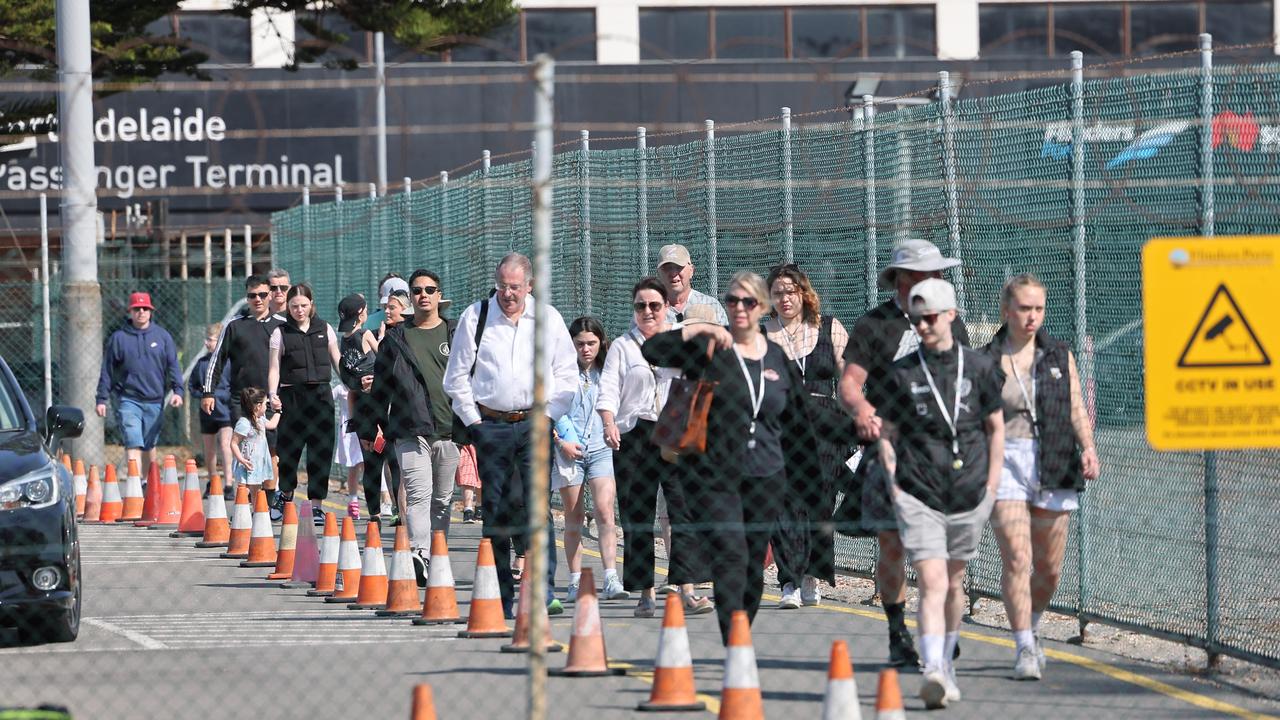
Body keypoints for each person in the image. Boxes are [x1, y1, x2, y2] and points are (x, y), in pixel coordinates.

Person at [642, 270, 819, 645]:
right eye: (732, 301)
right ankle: (734, 640)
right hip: (717, 476)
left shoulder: (776, 357)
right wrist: (695, 330)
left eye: (748, 302)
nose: (739, 308)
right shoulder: (712, 349)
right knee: (731, 556)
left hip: (766, 474)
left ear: (762, 308)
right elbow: (652, 350)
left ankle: (741, 626)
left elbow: (798, 421)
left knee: (752, 565)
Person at [838, 238, 970, 668]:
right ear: (906, 279)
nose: (936, 279)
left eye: (938, 273)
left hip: (940, 452)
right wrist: (862, 410)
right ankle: (898, 632)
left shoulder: (951, 322)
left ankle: (943, 628)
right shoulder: (875, 325)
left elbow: (966, 380)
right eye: (928, 272)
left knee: (946, 553)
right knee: (893, 545)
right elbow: (850, 383)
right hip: (891, 451)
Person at [875, 278, 1003, 709]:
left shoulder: (981, 368)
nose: (923, 325)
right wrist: (895, 481)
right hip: (919, 492)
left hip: (970, 492)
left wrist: (992, 485)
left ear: (950, 315)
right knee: (930, 580)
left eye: (930, 317)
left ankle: (946, 662)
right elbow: (887, 433)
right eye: (917, 318)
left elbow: (995, 428)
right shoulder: (903, 373)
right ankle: (931, 669)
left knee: (953, 582)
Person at [443, 253, 577, 618]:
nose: (507, 293)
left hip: (535, 423)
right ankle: (500, 592)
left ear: (529, 286)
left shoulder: (547, 319)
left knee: (536, 505)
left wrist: (549, 417)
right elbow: (456, 379)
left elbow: (567, 376)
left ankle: (543, 589)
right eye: (502, 285)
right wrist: (475, 425)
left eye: (514, 287)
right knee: (497, 508)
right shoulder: (478, 316)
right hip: (492, 427)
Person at [982, 273, 1101, 680]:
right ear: (1007, 311)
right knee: (1018, 558)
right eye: (1023, 308)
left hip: (1053, 459)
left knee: (1049, 569)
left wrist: (1088, 447)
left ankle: (1033, 621)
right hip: (1006, 460)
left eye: (1038, 309)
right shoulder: (988, 359)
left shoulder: (1058, 354)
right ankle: (1023, 647)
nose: (1032, 317)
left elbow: (1075, 409)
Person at [599, 279, 714, 618]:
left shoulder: (682, 338)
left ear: (667, 307)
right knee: (638, 513)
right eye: (640, 306)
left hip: (676, 431)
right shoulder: (623, 345)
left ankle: (687, 589)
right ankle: (645, 592)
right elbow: (608, 389)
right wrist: (608, 422)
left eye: (654, 305)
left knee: (684, 509)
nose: (647, 312)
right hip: (635, 433)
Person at [763, 263, 851, 609]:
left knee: (820, 502)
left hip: (824, 426)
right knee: (782, 503)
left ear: (804, 293)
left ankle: (812, 573)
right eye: (778, 293)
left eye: (790, 291)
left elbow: (849, 379)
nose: (784, 298)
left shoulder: (830, 328)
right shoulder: (762, 332)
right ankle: (789, 580)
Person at [366, 270, 461, 587]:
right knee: (419, 495)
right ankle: (420, 553)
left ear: (438, 295)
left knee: (443, 499)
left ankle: (437, 551)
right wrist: (372, 427)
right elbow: (380, 387)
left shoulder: (455, 332)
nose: (423, 295)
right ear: (412, 298)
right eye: (417, 290)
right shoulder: (395, 339)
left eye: (429, 289)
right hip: (410, 429)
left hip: (448, 430)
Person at [554, 316, 628, 604]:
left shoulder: (608, 372)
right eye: (580, 344)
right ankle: (574, 580)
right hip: (568, 449)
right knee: (573, 516)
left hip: (600, 447)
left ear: (601, 343)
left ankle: (611, 575)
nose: (586, 349)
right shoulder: (561, 373)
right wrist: (561, 442)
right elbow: (551, 409)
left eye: (592, 343)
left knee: (605, 510)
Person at [203, 275, 285, 507]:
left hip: (272, 398)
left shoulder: (281, 325)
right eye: (252, 295)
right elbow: (217, 359)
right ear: (247, 298)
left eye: (262, 294)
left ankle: (268, 504)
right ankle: (246, 503)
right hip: (243, 399)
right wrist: (208, 392)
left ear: (270, 295)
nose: (257, 299)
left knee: (271, 450)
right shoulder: (235, 326)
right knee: (246, 448)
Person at [267, 283, 342, 525]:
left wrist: (353, 383)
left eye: (304, 305)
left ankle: (317, 505)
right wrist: (272, 393)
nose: (299, 310)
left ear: (311, 305)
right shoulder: (281, 332)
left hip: (320, 396)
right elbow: (274, 368)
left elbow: (337, 360)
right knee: (289, 451)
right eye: (294, 306)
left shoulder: (325, 328)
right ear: (288, 307)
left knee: (320, 451)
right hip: (292, 397)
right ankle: (286, 495)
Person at [95, 292, 184, 472]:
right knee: (132, 440)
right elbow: (107, 370)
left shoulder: (162, 337)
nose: (141, 312)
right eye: (137, 309)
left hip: (155, 399)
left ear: (151, 312)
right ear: (130, 311)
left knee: (149, 445)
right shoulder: (119, 338)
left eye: (145, 309)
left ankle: (146, 482)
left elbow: (173, 365)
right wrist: (101, 398)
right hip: (128, 399)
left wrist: (178, 391)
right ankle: (134, 486)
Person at [335, 294, 378, 520]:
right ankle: (390, 506)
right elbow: (383, 356)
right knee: (384, 457)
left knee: (367, 458)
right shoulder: (365, 333)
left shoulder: (345, 338)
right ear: (361, 313)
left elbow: (349, 383)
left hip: (359, 406)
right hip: (377, 401)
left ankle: (375, 512)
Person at [190, 323, 234, 491]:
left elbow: (232, 386)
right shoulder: (201, 363)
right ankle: (212, 480)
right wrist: (202, 396)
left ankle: (229, 483)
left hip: (225, 413)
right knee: (209, 449)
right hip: (207, 414)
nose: (207, 343)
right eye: (207, 339)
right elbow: (193, 387)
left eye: (211, 340)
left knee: (225, 445)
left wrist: (221, 397)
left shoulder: (228, 363)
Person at [655, 244, 728, 326]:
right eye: (667, 268)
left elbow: (725, 336)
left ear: (691, 270)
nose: (673, 273)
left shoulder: (711, 305)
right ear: (658, 273)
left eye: (679, 267)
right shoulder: (651, 309)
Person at [231, 387, 280, 500]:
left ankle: (256, 513)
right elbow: (233, 443)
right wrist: (241, 459)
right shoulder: (244, 423)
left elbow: (272, 425)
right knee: (243, 489)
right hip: (247, 463)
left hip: (257, 463)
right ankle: (240, 513)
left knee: (256, 491)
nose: (266, 406)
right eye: (265, 404)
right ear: (258, 406)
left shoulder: (260, 420)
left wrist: (278, 411)